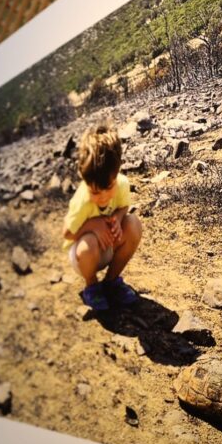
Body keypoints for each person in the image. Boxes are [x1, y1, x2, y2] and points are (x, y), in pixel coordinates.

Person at [62, 124, 143, 311]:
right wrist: (93, 224)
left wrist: (117, 216)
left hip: (108, 246)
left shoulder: (121, 183)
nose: (103, 197)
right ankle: (92, 287)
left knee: (133, 223)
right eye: (95, 191)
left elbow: (124, 206)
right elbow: (67, 234)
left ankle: (111, 282)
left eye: (108, 188)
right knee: (88, 243)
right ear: (85, 180)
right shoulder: (82, 199)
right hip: (84, 256)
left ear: (116, 174)